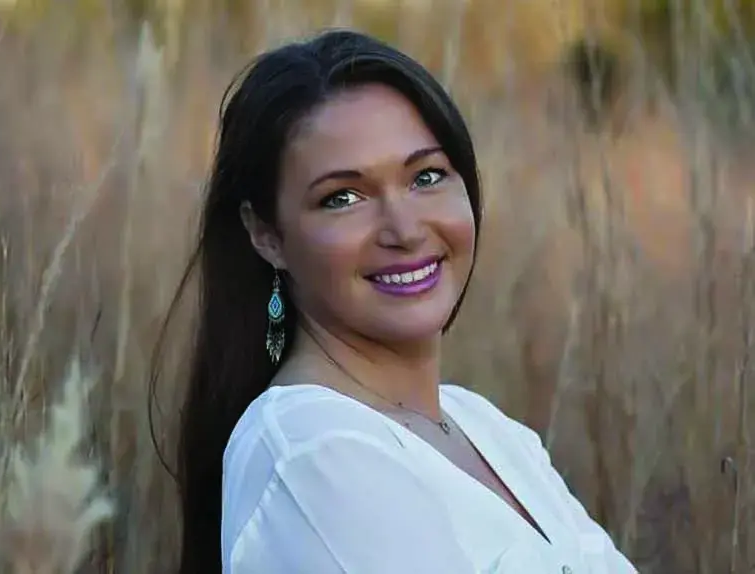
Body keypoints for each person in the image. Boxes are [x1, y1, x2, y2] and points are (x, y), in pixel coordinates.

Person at [174, 28, 639, 574]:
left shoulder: (488, 429)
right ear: (266, 234)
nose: (405, 229)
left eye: (426, 176)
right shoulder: (311, 453)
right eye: (342, 198)